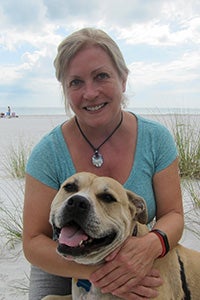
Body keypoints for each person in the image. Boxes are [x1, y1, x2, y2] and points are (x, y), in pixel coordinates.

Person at [23, 28, 184, 300]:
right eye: (75, 82)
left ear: (123, 79)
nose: (90, 93)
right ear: (65, 90)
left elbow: (174, 215)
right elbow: (33, 242)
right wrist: (106, 270)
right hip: (60, 257)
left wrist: (151, 245)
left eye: (101, 76)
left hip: (138, 249)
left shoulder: (156, 139)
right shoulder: (48, 152)